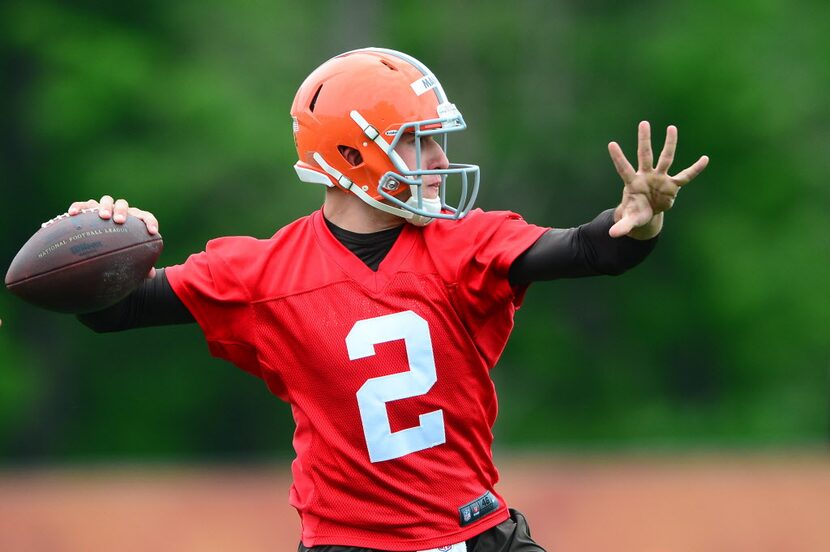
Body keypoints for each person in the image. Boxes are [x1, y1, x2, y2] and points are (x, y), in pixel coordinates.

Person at [67, 48, 708, 551]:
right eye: (414, 139)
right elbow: (113, 311)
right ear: (349, 153)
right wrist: (96, 246)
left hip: (476, 531)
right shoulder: (263, 273)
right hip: (354, 543)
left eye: (437, 138)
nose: (435, 157)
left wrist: (640, 220)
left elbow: (595, 250)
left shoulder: (464, 245)